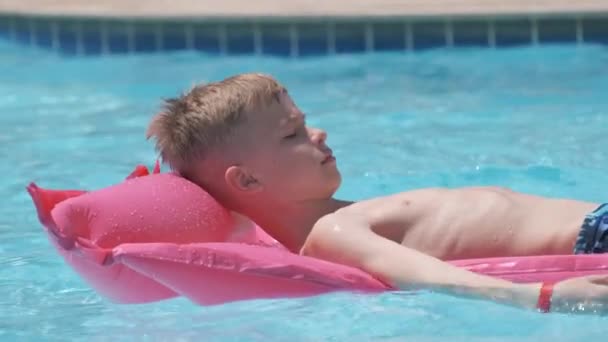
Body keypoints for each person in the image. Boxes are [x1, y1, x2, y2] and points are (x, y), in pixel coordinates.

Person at [146, 73, 608, 314]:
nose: (320, 134)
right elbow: (431, 278)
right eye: (294, 135)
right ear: (246, 181)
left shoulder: (346, 216)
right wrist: (545, 297)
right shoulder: (333, 233)